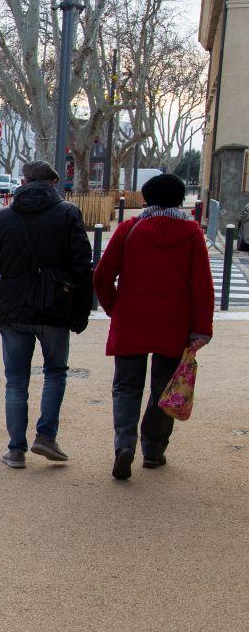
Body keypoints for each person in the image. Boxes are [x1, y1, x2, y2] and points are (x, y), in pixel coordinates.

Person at [93, 173, 214, 479]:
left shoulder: (130, 229)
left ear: (146, 198)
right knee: (165, 387)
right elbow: (202, 285)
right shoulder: (191, 233)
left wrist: (115, 307)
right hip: (175, 321)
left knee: (126, 386)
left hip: (132, 317)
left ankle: (124, 444)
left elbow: (102, 276)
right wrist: (201, 328)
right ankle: (154, 449)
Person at [0, 160, 94, 469]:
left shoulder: (2, 219)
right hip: (55, 306)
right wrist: (81, 312)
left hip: (11, 308)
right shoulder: (68, 214)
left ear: (24, 182)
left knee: (16, 381)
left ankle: (16, 450)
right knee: (55, 372)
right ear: (54, 183)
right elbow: (83, 268)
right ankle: (46, 436)